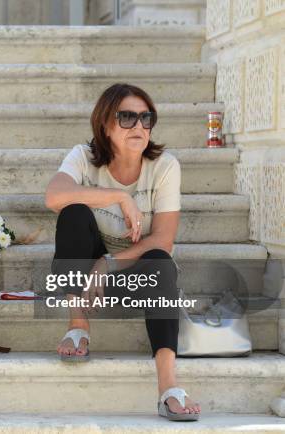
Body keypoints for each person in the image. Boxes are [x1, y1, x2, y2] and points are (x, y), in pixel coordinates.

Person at [44, 83, 201, 421]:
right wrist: (118, 197)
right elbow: (54, 196)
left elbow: (163, 239)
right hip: (82, 278)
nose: (139, 127)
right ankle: (78, 326)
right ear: (105, 124)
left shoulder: (164, 166)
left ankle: (168, 387)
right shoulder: (84, 157)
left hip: (128, 274)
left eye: (146, 118)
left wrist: (108, 263)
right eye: (127, 117)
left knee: (160, 262)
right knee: (73, 212)